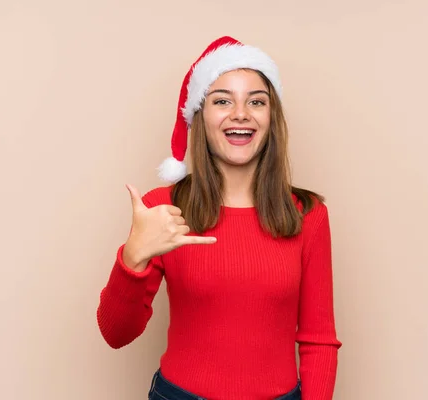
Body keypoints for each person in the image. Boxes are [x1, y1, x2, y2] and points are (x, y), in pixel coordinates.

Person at [96, 36, 342, 400]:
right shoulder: (164, 207)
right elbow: (116, 334)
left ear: (270, 118)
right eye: (222, 100)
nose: (240, 113)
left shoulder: (308, 215)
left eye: (256, 101)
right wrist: (133, 258)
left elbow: (318, 340)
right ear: (200, 116)